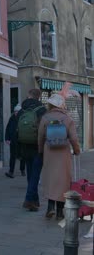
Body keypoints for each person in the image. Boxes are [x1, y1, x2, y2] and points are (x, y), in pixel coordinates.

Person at [39, 88, 80, 220]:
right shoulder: (67, 119)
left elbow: (40, 137)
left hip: (49, 151)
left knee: (51, 179)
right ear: (62, 105)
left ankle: (50, 207)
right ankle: (60, 212)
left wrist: (40, 150)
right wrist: (77, 150)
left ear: (51, 105)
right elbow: (73, 138)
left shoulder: (45, 117)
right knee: (63, 181)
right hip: (63, 153)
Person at [19, 89, 46, 211]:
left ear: (29, 96)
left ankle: (35, 202)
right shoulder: (42, 110)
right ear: (39, 97)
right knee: (35, 174)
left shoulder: (22, 109)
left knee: (31, 174)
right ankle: (29, 198)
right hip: (37, 146)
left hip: (24, 146)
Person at [4, 104, 25, 178]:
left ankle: (22, 170)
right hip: (13, 140)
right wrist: (7, 138)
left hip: (21, 140)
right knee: (12, 156)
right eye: (15, 111)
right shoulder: (12, 118)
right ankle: (11, 171)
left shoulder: (23, 118)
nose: (15, 113)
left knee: (22, 156)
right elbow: (7, 128)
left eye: (17, 111)